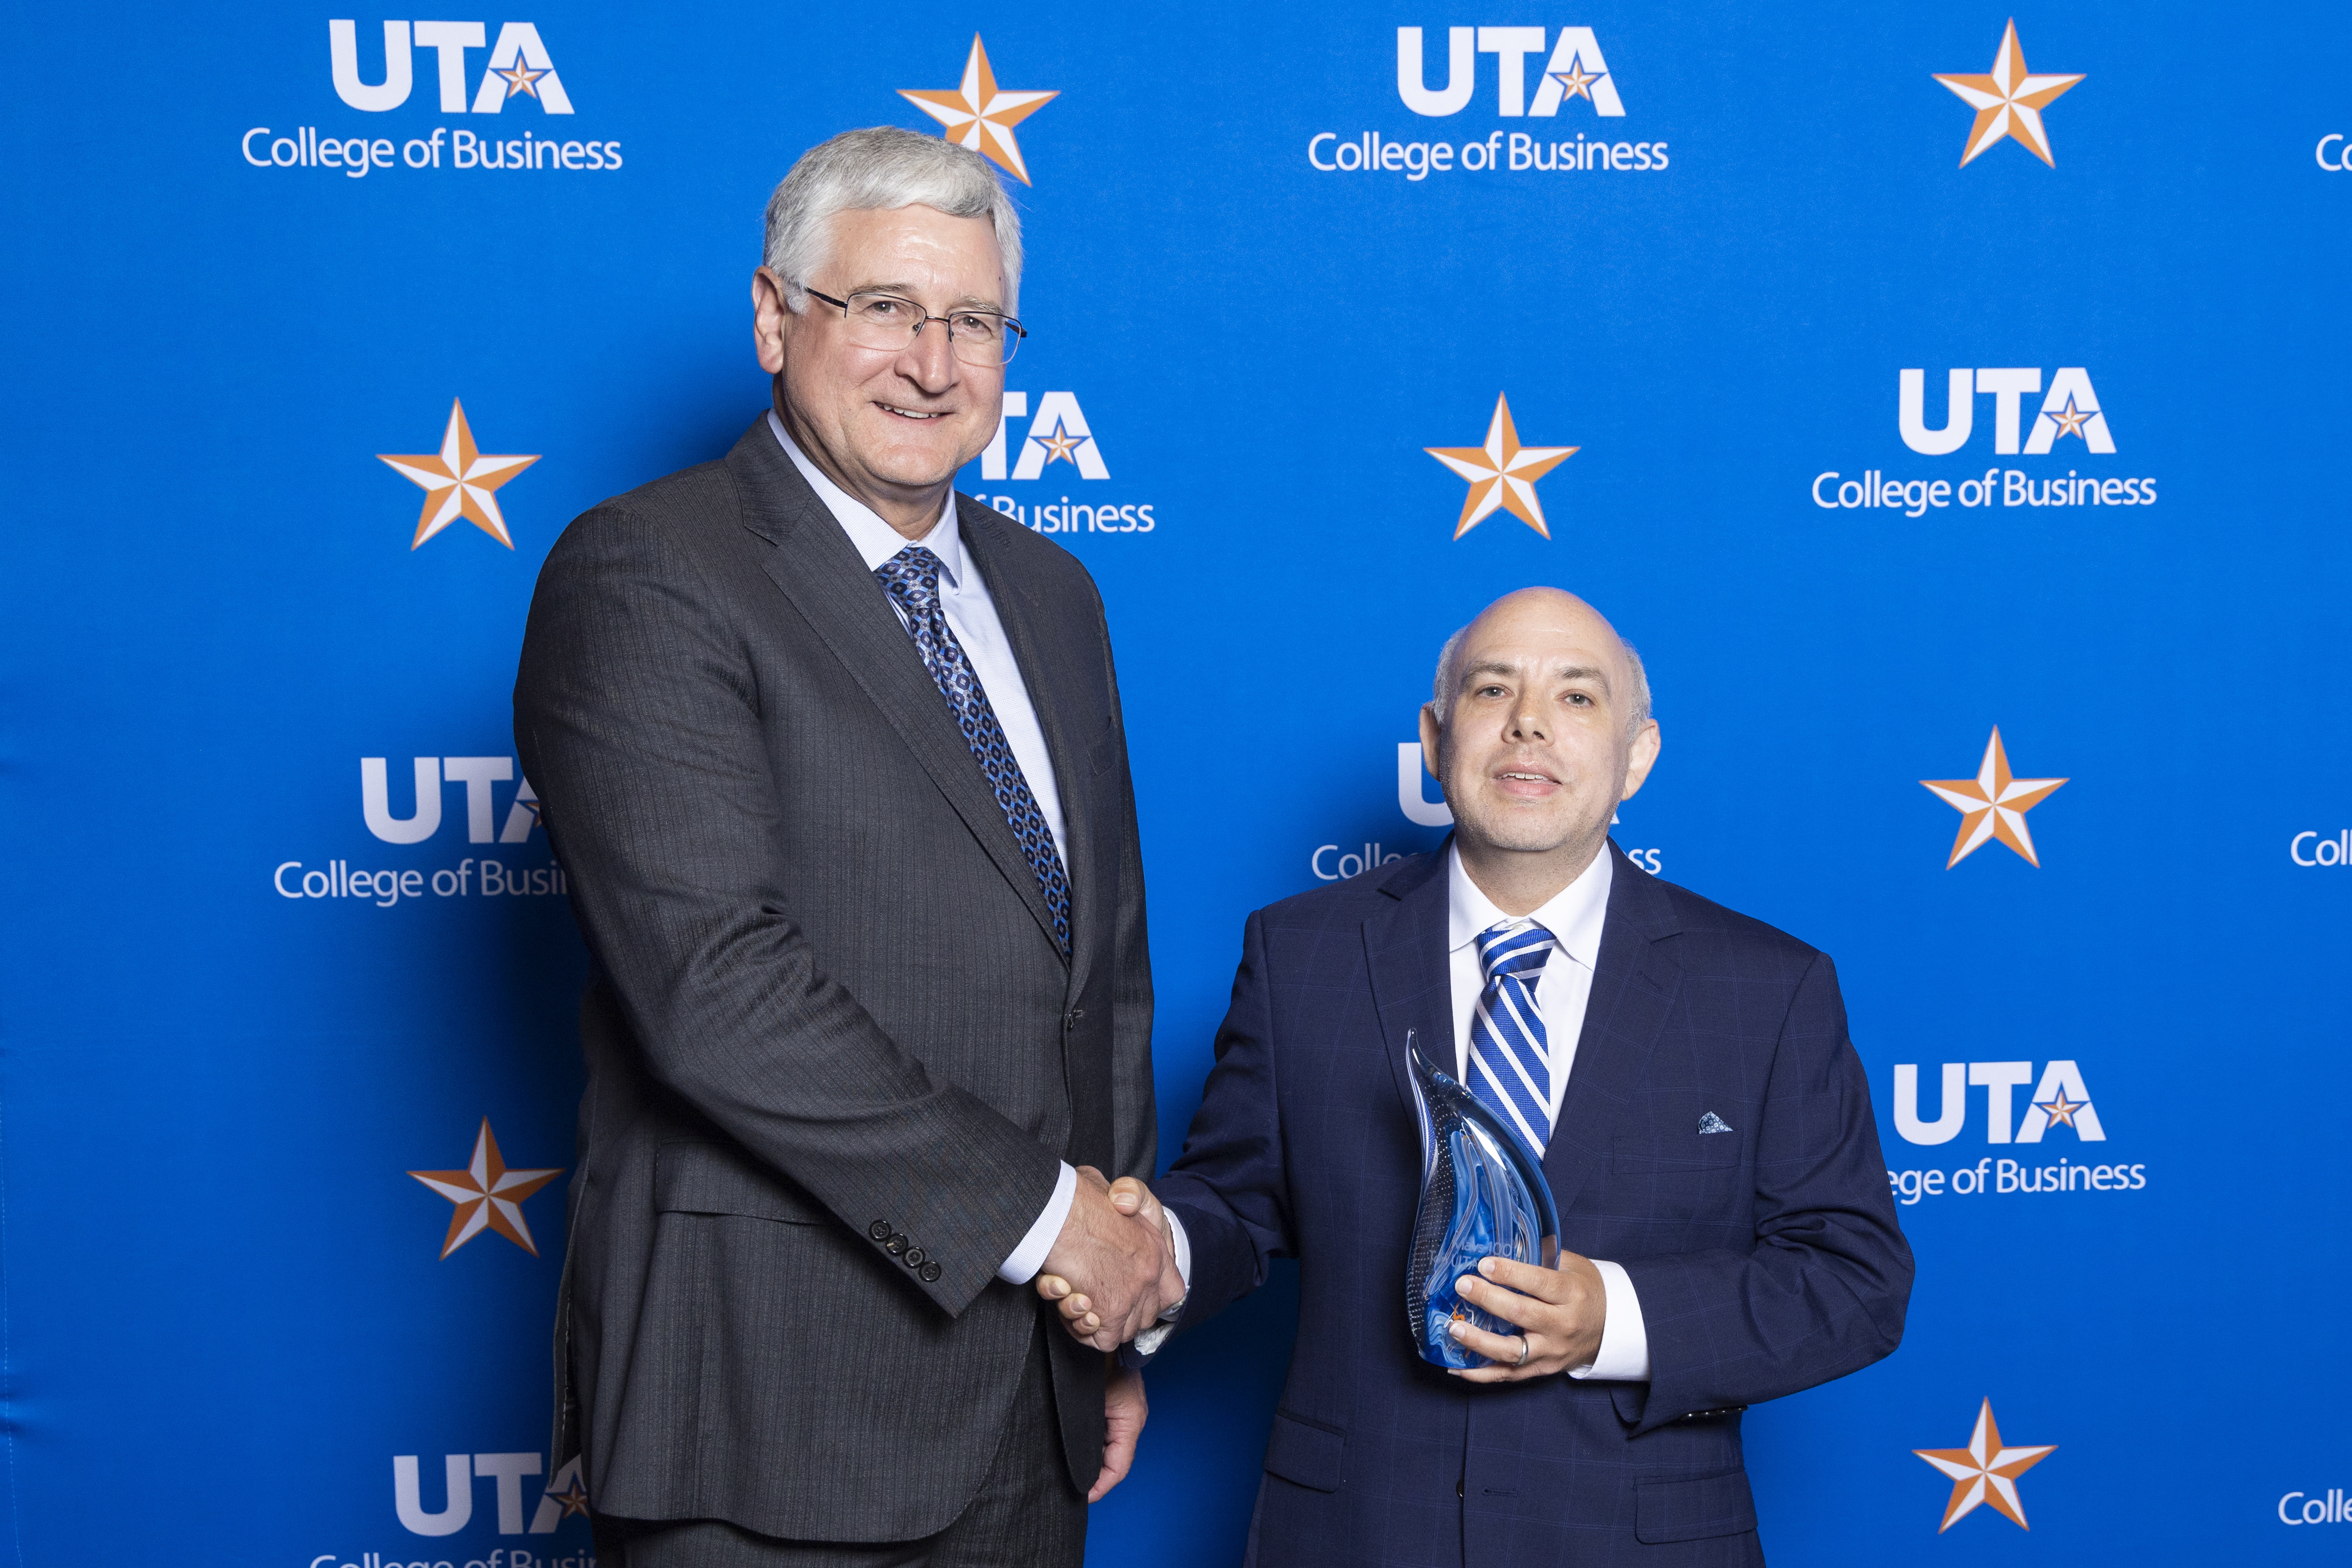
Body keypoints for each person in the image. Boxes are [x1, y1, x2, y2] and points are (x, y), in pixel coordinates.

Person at [514, 125, 1181, 1567]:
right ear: (773, 319)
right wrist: (1050, 1224)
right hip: (767, 1405)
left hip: (1025, 1395)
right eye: (882, 308)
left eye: (976, 321)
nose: (932, 363)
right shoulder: (648, 570)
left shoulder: (1054, 593)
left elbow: (1099, 981)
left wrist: (1105, 1309)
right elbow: (716, 988)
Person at [1052, 588, 1912, 1565]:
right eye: (1493, 688)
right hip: (1355, 1533)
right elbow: (1238, 1204)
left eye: (1578, 698)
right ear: (1435, 735)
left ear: (1639, 755)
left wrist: (1611, 1320)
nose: (1530, 721)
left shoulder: (1768, 988)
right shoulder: (1303, 954)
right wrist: (1153, 1247)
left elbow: (1856, 1283)